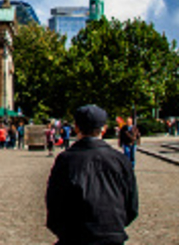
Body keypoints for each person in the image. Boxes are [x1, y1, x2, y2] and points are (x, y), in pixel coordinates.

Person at [46, 105, 139, 245]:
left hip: (75, 236)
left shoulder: (65, 160)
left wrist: (66, 233)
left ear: (76, 128)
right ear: (104, 129)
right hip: (112, 235)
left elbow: (54, 204)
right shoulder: (120, 160)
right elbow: (131, 206)